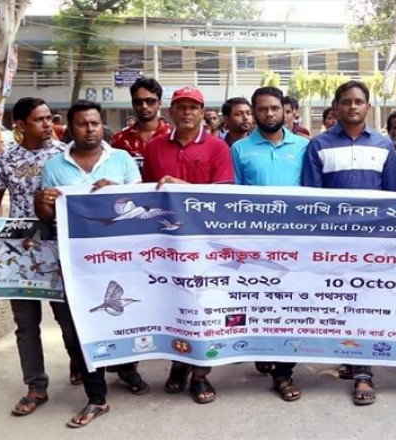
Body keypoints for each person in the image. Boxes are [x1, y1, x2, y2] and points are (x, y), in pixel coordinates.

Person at [35, 99, 143, 427]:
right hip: (76, 261)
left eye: (94, 123)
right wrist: (43, 202)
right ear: (71, 128)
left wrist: (118, 191)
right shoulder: (54, 166)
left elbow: (139, 206)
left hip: (121, 257)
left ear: (102, 125)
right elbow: (47, 217)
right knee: (83, 324)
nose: (90, 129)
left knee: (126, 315)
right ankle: (97, 396)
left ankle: (127, 368)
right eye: (82, 124)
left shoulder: (122, 160)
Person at [0, 97, 78, 417]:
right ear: (20, 125)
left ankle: (78, 361)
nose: (48, 124)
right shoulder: (6, 158)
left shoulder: (64, 155)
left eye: (50, 118)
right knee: (26, 323)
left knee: (67, 318)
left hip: (57, 246)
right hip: (18, 250)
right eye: (40, 119)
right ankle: (36, 386)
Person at [302, 80, 396, 406]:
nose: (353, 106)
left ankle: (363, 373)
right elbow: (311, 198)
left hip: (371, 242)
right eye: (346, 101)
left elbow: (391, 199)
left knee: (366, 303)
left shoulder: (384, 146)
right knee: (340, 302)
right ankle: (347, 356)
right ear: (336, 107)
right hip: (333, 243)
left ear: (368, 106)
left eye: (359, 101)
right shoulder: (318, 145)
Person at [141, 87, 233, 404]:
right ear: (170, 112)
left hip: (205, 243)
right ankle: (178, 364)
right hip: (167, 243)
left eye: (193, 107)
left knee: (204, 307)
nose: (187, 113)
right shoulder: (154, 147)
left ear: (202, 112)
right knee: (173, 306)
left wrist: (186, 187)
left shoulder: (218, 147)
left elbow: (224, 198)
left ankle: (200, 374)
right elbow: (146, 193)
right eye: (180, 107)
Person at [231, 86, 309, 401]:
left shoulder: (304, 146)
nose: (269, 114)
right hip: (255, 242)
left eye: (275, 108)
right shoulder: (239, 149)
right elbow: (233, 197)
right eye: (262, 109)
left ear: (284, 109)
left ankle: (283, 373)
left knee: (291, 304)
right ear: (254, 112)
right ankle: (262, 349)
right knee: (260, 303)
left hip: (295, 241)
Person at [111, 77, 171, 158]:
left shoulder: (174, 136)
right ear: (133, 104)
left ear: (159, 104)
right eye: (138, 102)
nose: (144, 106)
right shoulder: (119, 140)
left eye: (150, 101)